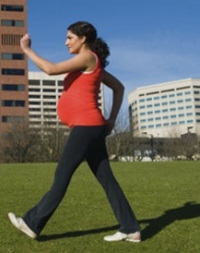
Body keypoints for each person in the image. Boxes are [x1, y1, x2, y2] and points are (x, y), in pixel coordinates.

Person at [8, 21, 141, 242]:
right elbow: (118, 87)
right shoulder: (90, 63)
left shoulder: (87, 57)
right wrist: (110, 120)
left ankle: (32, 223)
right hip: (92, 127)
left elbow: (50, 70)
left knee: (62, 175)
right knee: (107, 179)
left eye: (70, 37)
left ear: (83, 39)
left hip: (87, 127)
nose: (66, 42)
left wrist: (27, 49)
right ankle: (131, 228)